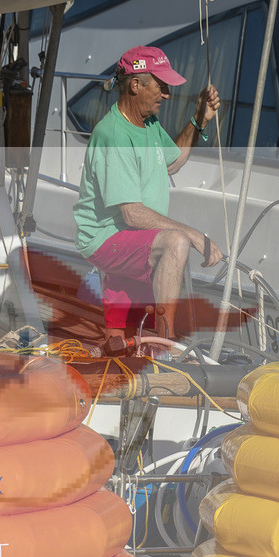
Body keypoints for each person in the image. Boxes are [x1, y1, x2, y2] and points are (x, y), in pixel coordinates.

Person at [73, 46, 224, 342]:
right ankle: (165, 346)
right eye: (161, 86)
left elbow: (173, 161)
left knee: (173, 242)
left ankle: (147, 340)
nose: (167, 94)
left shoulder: (148, 124)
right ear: (136, 85)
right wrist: (194, 235)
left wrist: (199, 120)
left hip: (128, 232)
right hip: (104, 238)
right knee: (176, 243)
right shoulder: (113, 134)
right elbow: (131, 213)